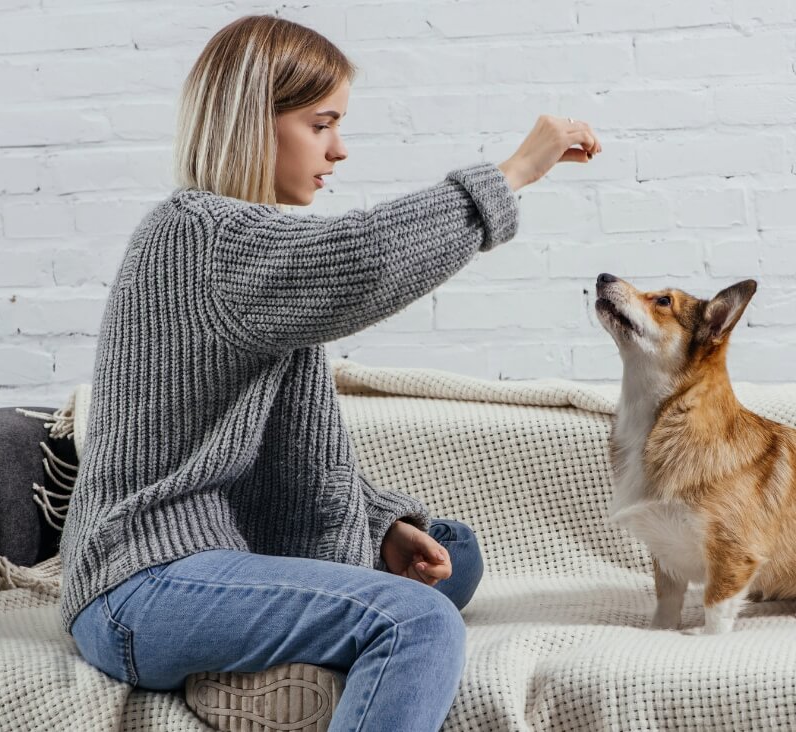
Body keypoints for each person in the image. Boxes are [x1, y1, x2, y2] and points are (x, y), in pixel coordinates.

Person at [60, 14, 601, 732]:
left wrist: (377, 525)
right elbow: (368, 258)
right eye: (322, 124)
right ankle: (257, 667)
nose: (339, 150)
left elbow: (285, 451)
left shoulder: (251, 245)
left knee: (453, 554)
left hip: (211, 556)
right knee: (417, 623)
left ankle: (260, 670)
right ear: (254, 121)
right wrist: (512, 174)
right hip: (141, 584)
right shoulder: (199, 235)